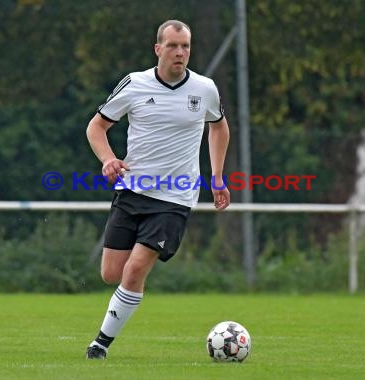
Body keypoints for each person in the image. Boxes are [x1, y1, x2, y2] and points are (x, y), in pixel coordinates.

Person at [84, 19, 230, 359]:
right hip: (132, 192)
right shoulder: (135, 84)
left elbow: (219, 128)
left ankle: (100, 345)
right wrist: (108, 160)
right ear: (158, 48)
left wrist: (217, 176)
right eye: (174, 46)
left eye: (186, 46)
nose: (180, 53)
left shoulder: (204, 88)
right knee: (112, 274)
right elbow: (96, 127)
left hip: (175, 198)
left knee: (135, 269)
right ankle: (126, 300)